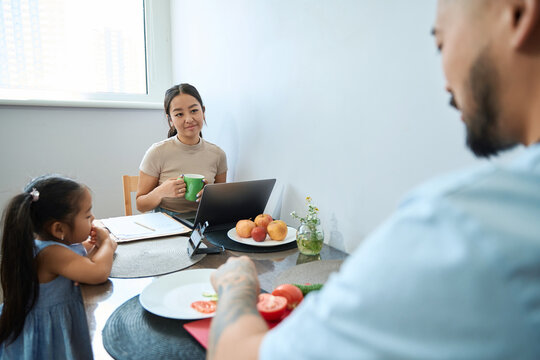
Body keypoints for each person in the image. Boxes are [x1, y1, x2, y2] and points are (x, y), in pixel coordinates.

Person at [208, 1, 540, 359]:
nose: (445, 84)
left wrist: (236, 284)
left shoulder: (461, 224)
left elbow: (235, 353)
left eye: (441, 44)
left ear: (519, 13)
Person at [0, 175, 117, 359]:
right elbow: (98, 272)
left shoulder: (48, 245)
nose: (93, 218)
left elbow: (82, 256)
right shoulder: (52, 254)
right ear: (59, 229)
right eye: (87, 215)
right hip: (49, 329)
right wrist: (108, 243)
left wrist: (95, 246)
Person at [136, 83, 228, 215]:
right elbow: (140, 205)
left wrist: (211, 197)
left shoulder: (218, 155)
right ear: (170, 119)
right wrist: (161, 191)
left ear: (203, 111)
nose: (189, 119)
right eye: (179, 114)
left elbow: (221, 200)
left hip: (202, 222)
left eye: (194, 111)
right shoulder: (157, 152)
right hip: (166, 221)